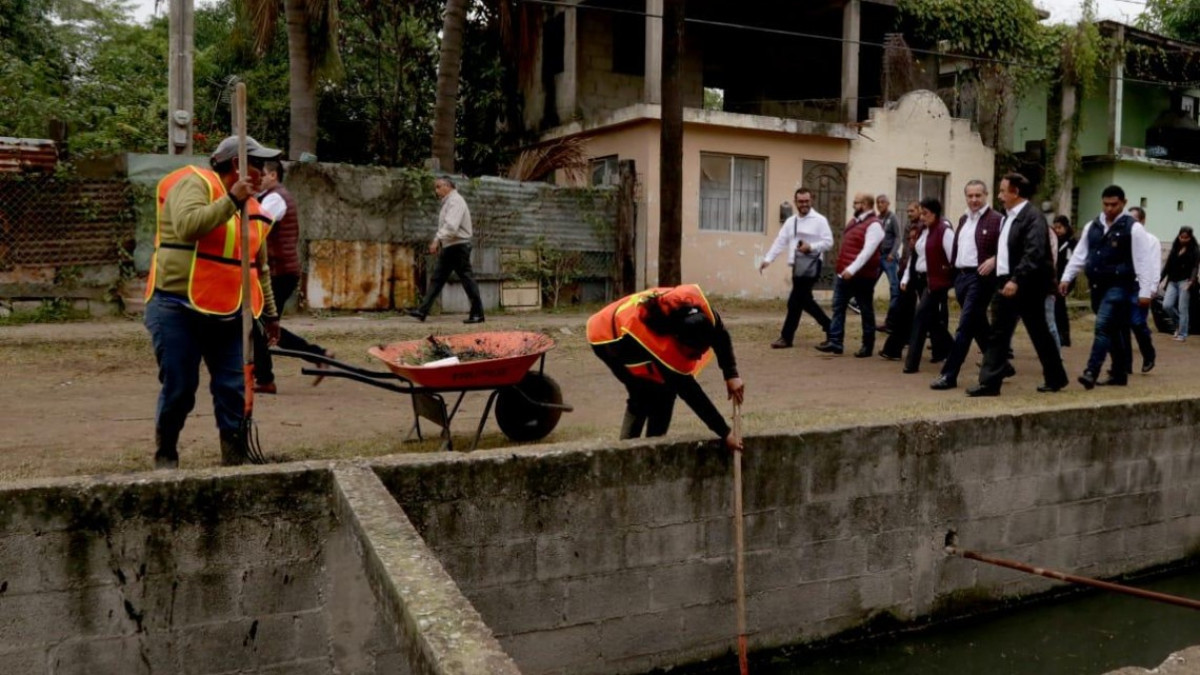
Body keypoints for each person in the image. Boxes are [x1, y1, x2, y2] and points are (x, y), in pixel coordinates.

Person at [144, 136, 283, 469]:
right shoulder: (194, 182)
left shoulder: (254, 209)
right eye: (258, 164)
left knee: (234, 387)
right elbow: (189, 225)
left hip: (230, 312)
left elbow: (258, 266)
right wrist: (231, 201)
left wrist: (272, 314)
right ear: (237, 164)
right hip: (177, 307)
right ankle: (166, 454)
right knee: (180, 386)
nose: (264, 172)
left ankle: (235, 459)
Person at [587, 285, 745, 452]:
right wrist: (725, 433)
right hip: (609, 336)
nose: (699, 357)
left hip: (633, 319)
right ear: (676, 339)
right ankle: (626, 453)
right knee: (642, 393)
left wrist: (731, 374)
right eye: (694, 353)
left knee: (666, 392)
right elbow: (690, 392)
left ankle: (654, 448)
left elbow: (720, 336)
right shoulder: (654, 338)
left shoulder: (704, 316)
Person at [967, 173, 1068, 397]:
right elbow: (1006, 251)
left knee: (1039, 332)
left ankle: (1056, 377)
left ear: (1016, 192)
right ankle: (990, 383)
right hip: (1005, 284)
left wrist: (1016, 279)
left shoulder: (1033, 218)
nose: (1000, 196)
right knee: (998, 334)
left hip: (1027, 286)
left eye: (1003, 191)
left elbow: (1034, 253)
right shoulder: (1009, 217)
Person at [1058, 185, 1155, 389]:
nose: (1110, 208)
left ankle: (1091, 370)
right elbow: (1080, 254)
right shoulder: (1092, 226)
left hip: (1120, 285)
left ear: (1123, 203)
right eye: (1106, 204)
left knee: (1102, 326)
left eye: (1114, 204)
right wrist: (1067, 277)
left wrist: (1146, 292)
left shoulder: (1134, 228)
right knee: (1115, 330)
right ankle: (1119, 372)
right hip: (1096, 285)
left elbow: (1144, 261)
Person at [251, 159, 334, 394]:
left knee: (260, 324)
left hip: (280, 272)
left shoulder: (275, 198)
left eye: (262, 174)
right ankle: (316, 355)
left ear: (273, 176)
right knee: (263, 324)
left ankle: (266, 377)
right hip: (280, 270)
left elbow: (257, 228)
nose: (258, 179)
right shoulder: (271, 197)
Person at [932, 180, 1003, 390]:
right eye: (970, 196)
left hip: (981, 279)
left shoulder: (997, 220)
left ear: (986, 195)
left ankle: (949, 374)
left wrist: (995, 260)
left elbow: (1011, 247)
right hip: (962, 278)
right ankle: (1001, 364)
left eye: (978, 195)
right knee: (979, 326)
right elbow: (957, 249)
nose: (974, 200)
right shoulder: (963, 220)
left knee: (964, 327)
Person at [760, 188, 833, 348]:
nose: (804, 204)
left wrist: (811, 246)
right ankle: (831, 328)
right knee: (802, 301)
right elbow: (780, 241)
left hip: (812, 265)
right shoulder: (791, 221)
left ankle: (787, 337)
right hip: (797, 267)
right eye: (801, 201)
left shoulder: (820, 220)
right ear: (796, 202)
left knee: (796, 301)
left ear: (811, 200)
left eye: (806, 201)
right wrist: (768, 259)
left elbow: (829, 242)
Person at [407, 176, 484, 323]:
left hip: (458, 245)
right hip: (451, 246)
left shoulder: (455, 201)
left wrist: (437, 239)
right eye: (435, 187)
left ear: (448, 186)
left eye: (438, 186)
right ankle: (422, 311)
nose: (436, 190)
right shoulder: (449, 202)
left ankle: (478, 314)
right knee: (438, 278)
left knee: (466, 279)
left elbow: (451, 226)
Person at [815, 193, 884, 357]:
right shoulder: (855, 222)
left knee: (865, 310)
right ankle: (836, 342)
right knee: (838, 306)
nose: (854, 205)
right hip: (845, 273)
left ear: (866, 204)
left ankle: (867, 345)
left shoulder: (874, 225)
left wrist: (852, 269)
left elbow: (867, 252)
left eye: (856, 203)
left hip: (862, 275)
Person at [900, 198, 954, 374]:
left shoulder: (944, 231)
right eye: (921, 213)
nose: (922, 217)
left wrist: (947, 279)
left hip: (936, 282)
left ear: (935, 213)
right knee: (933, 321)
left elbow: (954, 258)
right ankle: (952, 348)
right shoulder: (922, 231)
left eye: (926, 213)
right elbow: (914, 256)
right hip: (921, 278)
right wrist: (907, 277)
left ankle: (911, 363)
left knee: (920, 317)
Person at [878, 220, 922, 360]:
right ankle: (893, 349)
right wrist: (904, 280)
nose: (911, 241)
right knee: (904, 316)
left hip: (922, 287)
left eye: (915, 238)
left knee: (922, 318)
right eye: (909, 238)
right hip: (909, 285)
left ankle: (946, 348)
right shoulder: (913, 253)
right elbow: (909, 266)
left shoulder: (923, 252)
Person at [1126, 206, 1158, 373]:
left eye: (1135, 220)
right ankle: (1125, 364)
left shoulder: (1151, 240)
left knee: (1137, 323)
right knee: (1122, 325)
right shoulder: (1124, 238)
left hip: (1142, 287)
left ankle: (1149, 354)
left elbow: (1154, 265)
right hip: (1125, 285)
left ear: (1143, 221)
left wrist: (1151, 289)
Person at [1161, 225, 1199, 341]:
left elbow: (1195, 267)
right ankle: (1180, 323)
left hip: (1185, 281)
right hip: (1172, 281)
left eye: (1186, 237)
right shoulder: (1175, 248)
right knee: (1166, 305)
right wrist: (1159, 279)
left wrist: (1191, 281)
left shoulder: (1195, 250)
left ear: (1190, 238)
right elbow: (1167, 266)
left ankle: (1182, 334)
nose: (1183, 239)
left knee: (1183, 308)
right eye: (1181, 237)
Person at [876, 193, 904, 328]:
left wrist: (893, 254)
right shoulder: (877, 219)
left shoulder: (892, 218)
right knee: (867, 284)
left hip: (889, 258)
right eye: (878, 202)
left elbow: (898, 237)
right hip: (877, 257)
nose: (879, 204)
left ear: (888, 204)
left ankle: (891, 321)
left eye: (882, 202)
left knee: (894, 288)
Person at [1050, 216, 1076, 348]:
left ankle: (1064, 335)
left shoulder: (1071, 243)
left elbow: (1071, 263)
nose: (1057, 230)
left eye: (1060, 227)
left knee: (1059, 306)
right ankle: (1061, 335)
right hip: (1056, 279)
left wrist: (1067, 280)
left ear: (1066, 227)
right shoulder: (1056, 241)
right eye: (1055, 227)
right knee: (1057, 307)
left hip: (1066, 280)